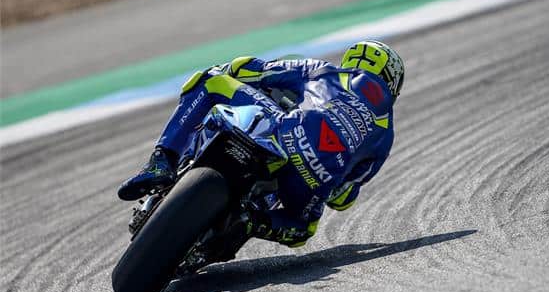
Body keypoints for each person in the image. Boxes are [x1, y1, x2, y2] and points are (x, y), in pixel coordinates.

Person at [117, 40, 404, 250]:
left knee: (210, 81)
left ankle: (162, 161)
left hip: (285, 131)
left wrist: (230, 69)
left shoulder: (327, 71)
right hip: (314, 179)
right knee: (302, 229)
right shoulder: (385, 135)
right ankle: (252, 222)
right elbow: (342, 199)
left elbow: (257, 70)